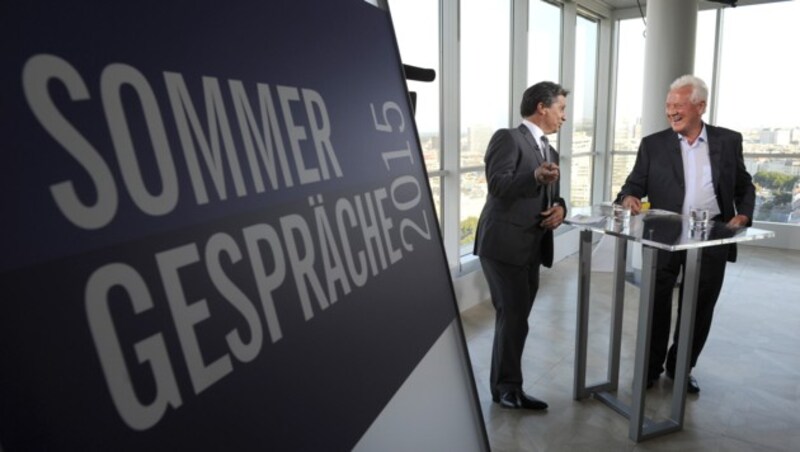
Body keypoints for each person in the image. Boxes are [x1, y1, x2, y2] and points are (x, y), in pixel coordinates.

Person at [616, 74, 755, 393]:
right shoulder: (652, 144)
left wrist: (744, 214)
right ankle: (649, 368)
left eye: (678, 105)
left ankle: (681, 368)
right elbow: (634, 183)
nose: (671, 112)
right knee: (656, 303)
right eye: (668, 106)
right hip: (663, 235)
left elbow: (744, 185)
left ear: (700, 106)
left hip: (713, 235)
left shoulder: (729, 141)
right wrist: (628, 197)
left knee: (700, 305)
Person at [473, 81, 568, 410]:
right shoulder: (508, 138)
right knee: (514, 317)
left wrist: (561, 209)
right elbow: (498, 185)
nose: (564, 117)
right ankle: (506, 390)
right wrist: (534, 177)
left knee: (517, 318)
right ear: (542, 107)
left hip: (531, 247)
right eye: (561, 108)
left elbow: (555, 196)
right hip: (503, 245)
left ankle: (506, 386)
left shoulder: (550, 151)